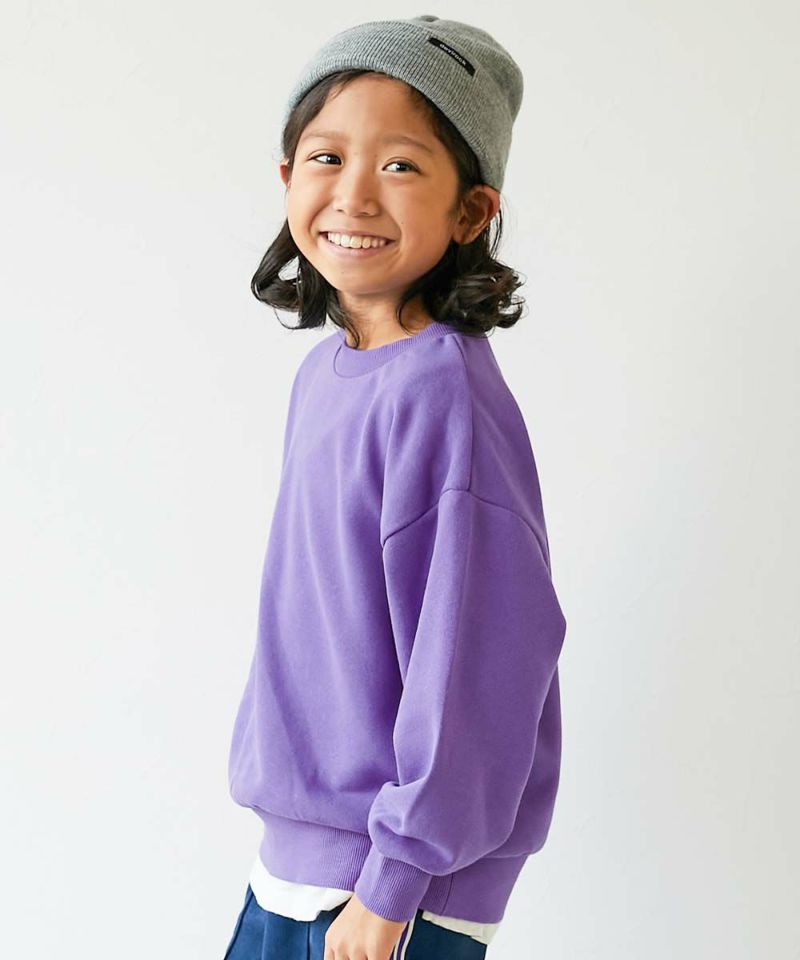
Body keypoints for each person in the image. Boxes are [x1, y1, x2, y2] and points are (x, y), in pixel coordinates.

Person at [223, 14, 567, 960]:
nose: (355, 195)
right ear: (288, 178)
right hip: (301, 866)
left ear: (471, 212)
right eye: (327, 157)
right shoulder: (329, 373)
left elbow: (480, 659)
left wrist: (391, 887)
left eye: (402, 165)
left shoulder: (442, 394)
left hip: (385, 892)